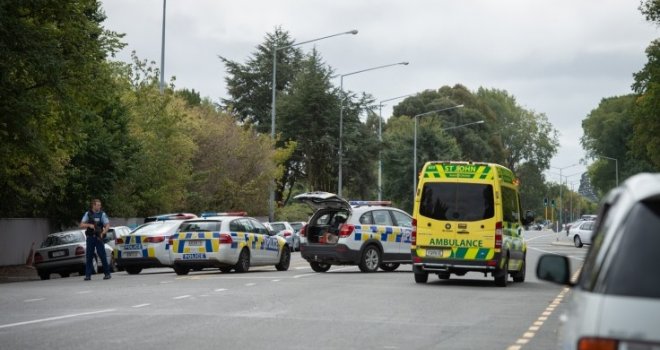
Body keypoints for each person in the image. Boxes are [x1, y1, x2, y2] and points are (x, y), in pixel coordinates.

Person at [79, 199, 111, 280]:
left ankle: (107, 274)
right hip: (90, 238)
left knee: (102, 255)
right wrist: (89, 225)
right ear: (93, 205)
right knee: (89, 256)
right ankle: (88, 275)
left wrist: (103, 233)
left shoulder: (102, 214)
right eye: (98, 205)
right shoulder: (88, 213)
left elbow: (107, 225)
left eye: (100, 205)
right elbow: (81, 225)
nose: (99, 206)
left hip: (98, 237)